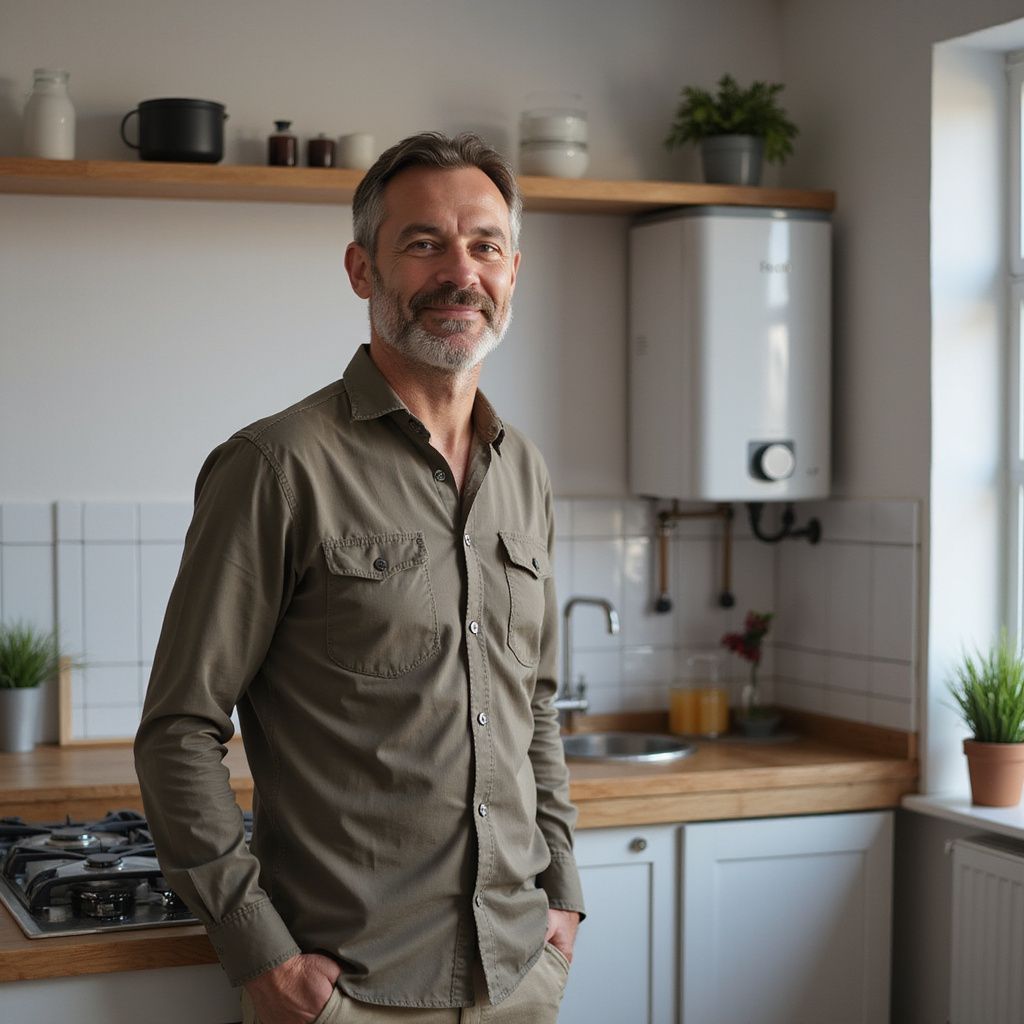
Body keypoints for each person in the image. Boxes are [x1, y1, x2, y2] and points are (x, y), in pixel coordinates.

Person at [134, 131, 584, 1024]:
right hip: (352, 992)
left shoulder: (522, 470)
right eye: (424, 243)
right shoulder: (276, 466)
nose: (461, 271)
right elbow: (178, 731)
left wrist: (561, 892)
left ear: (513, 269)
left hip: (521, 974)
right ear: (361, 268)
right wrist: (261, 954)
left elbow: (532, 702)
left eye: (485, 244)